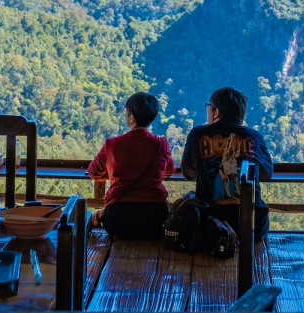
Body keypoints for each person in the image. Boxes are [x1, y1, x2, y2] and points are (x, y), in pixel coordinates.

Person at [181, 86, 274, 239]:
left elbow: (188, 173)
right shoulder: (254, 137)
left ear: (216, 112)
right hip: (252, 228)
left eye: (209, 107)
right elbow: (267, 173)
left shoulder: (197, 134)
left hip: (210, 226)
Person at [87, 92, 175, 239]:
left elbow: (93, 172)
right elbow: (169, 170)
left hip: (118, 221)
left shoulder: (112, 144)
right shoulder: (162, 144)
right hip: (155, 221)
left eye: (126, 112)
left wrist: (115, 172)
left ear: (132, 117)